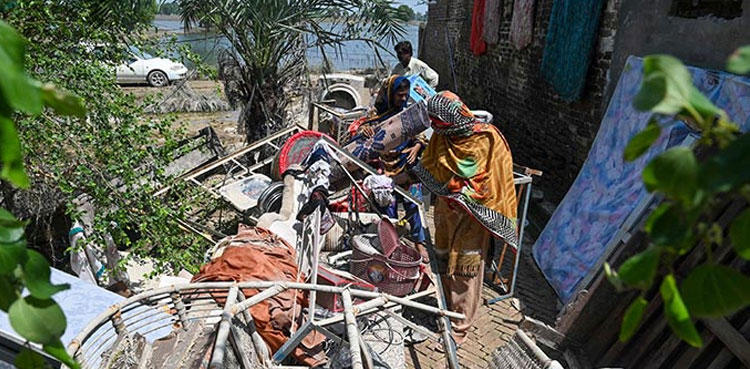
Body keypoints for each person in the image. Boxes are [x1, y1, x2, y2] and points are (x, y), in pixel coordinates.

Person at [410, 91, 517, 346]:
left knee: (465, 271)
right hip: (447, 212)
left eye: (439, 122)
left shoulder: (487, 138)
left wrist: (465, 194)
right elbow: (431, 165)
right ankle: (448, 311)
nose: (435, 128)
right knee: (445, 262)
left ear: (453, 119)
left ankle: (460, 327)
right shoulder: (442, 135)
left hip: (473, 217)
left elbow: (496, 181)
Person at [347, 75, 428, 257]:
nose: (403, 98)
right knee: (387, 206)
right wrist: (364, 131)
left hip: (405, 165)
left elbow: (421, 136)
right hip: (383, 166)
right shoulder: (376, 114)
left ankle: (419, 243)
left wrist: (416, 147)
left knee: (412, 203)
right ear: (391, 94)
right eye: (399, 95)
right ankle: (391, 243)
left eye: (405, 95)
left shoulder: (408, 113)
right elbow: (358, 133)